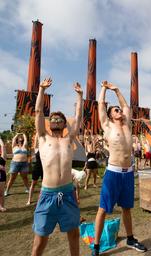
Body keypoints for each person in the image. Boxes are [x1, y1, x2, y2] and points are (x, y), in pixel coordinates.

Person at [92, 81, 147, 256]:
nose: (120, 111)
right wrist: (103, 88)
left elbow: (126, 106)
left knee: (126, 208)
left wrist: (116, 90)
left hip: (128, 173)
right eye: (116, 110)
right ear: (110, 115)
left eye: (119, 110)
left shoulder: (127, 125)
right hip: (113, 173)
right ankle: (96, 245)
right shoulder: (107, 126)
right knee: (103, 209)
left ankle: (130, 238)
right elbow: (100, 105)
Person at [31, 77, 82, 256]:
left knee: (74, 234)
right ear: (49, 123)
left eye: (59, 118)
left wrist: (80, 96)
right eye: (53, 118)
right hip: (48, 194)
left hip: (68, 194)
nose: (56, 120)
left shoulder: (69, 139)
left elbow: (78, 118)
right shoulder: (44, 138)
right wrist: (42, 89)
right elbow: (38, 111)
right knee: (40, 240)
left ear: (64, 123)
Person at [26, 134, 43, 205]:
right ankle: (29, 200)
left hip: (44, 169)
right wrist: (37, 133)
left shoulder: (47, 150)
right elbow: (36, 142)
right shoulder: (37, 149)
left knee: (43, 186)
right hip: (36, 168)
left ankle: (40, 200)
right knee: (33, 184)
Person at [0, 138, 7, 211]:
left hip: (1, 176)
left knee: (1, 193)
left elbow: (3, 146)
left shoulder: (2, 158)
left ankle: (1, 206)